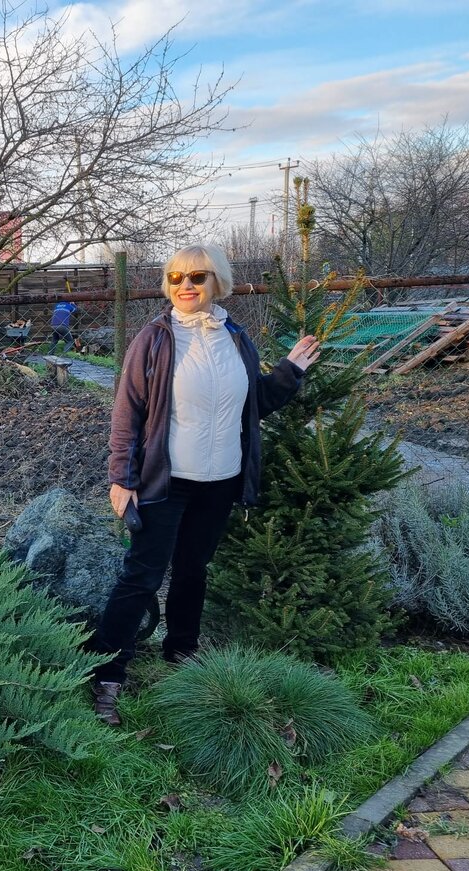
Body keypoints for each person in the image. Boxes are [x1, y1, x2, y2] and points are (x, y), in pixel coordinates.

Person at [89, 244, 322, 725]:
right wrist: (121, 478)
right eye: (175, 278)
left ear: (218, 281)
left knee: (194, 571)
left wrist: (290, 371)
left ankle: (182, 656)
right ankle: (107, 675)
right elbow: (126, 414)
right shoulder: (154, 339)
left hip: (220, 480)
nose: (185, 285)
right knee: (142, 576)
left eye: (196, 276)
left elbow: (251, 403)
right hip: (166, 482)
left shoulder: (234, 337)